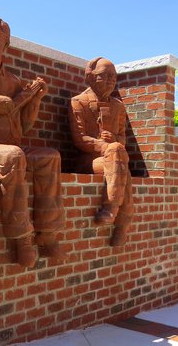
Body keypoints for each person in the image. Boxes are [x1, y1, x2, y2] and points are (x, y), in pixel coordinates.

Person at [0, 16, 67, 267]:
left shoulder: (14, 82)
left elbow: (24, 126)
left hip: (12, 144)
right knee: (12, 156)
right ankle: (21, 238)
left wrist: (35, 100)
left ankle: (48, 233)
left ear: (6, 42)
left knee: (50, 156)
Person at [69, 57, 134, 246]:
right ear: (89, 77)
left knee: (120, 160)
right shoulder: (78, 102)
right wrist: (106, 145)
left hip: (114, 159)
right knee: (119, 158)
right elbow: (79, 139)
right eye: (103, 76)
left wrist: (114, 141)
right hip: (88, 160)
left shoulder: (118, 106)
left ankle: (112, 209)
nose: (110, 80)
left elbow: (122, 138)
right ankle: (121, 221)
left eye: (113, 76)